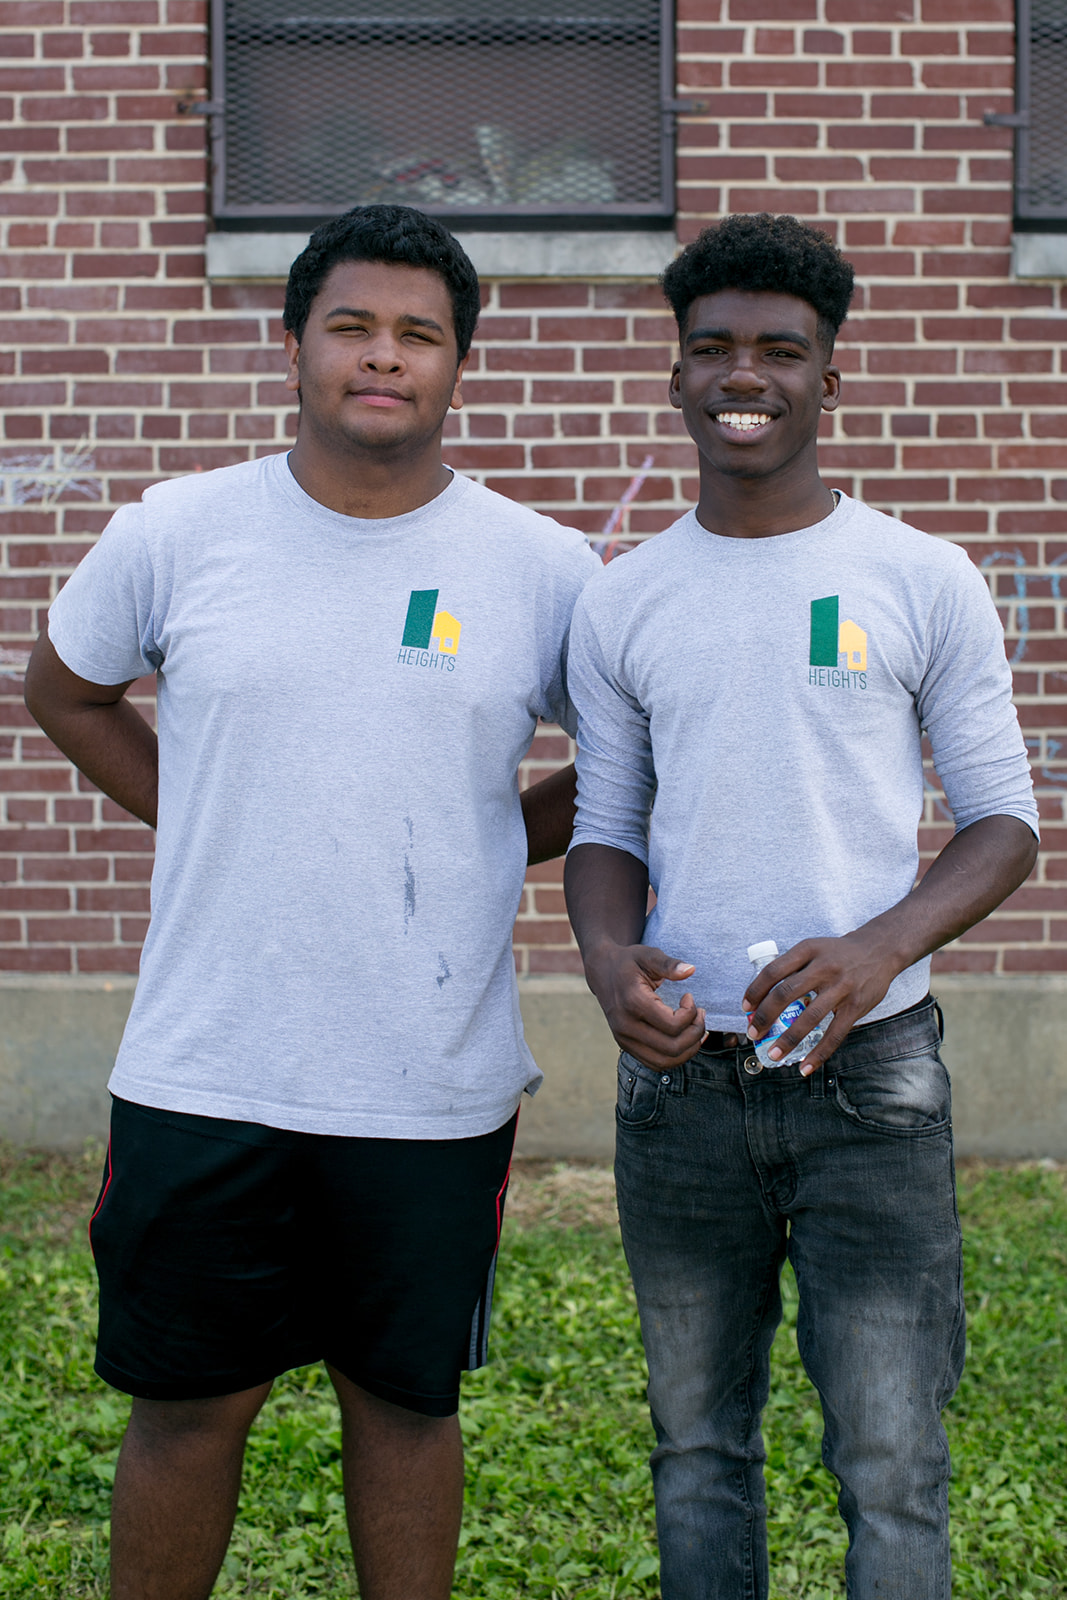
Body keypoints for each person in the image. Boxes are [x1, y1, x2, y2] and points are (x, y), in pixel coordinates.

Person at [24, 203, 598, 1600]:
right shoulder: (179, 529)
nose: (383, 356)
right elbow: (66, 691)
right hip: (209, 1062)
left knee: (405, 1407)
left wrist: (481, 842)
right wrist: (222, 814)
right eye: (352, 326)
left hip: (428, 1077)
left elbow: (624, 771)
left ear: (462, 363)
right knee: (187, 1409)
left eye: (419, 333)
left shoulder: (540, 568)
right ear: (295, 344)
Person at [562, 212, 1038, 1600]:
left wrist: (880, 945)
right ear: (677, 376)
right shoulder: (626, 599)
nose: (742, 374)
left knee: (889, 1457)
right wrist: (605, 961)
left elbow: (1005, 825)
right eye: (711, 348)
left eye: (780, 348)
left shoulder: (919, 575)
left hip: (871, 1081)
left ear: (832, 376)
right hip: (682, 1092)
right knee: (697, 1449)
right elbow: (603, 829)